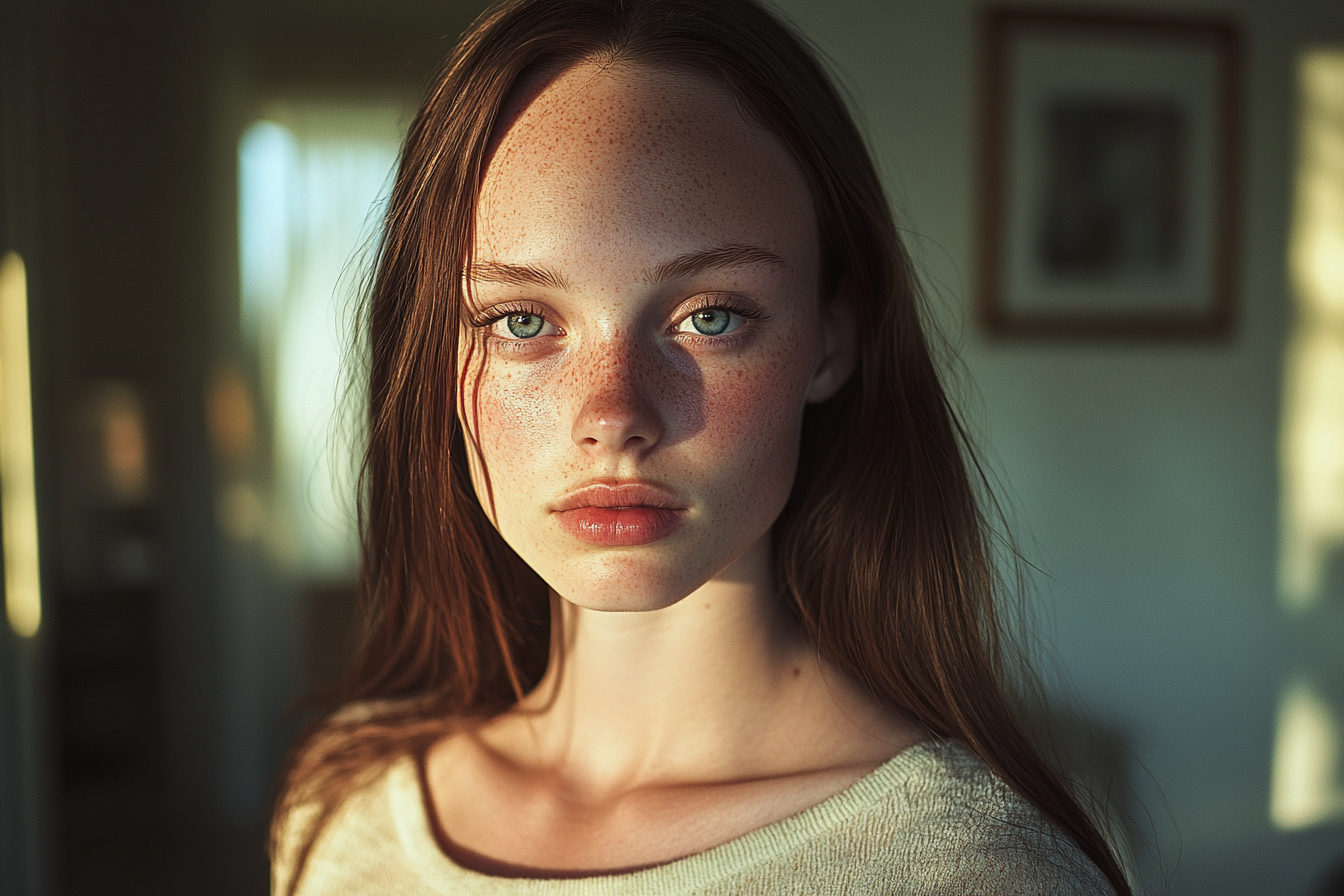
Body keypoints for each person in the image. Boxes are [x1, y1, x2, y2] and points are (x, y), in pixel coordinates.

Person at [270, 0, 1130, 893]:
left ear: (831, 340)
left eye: (709, 317)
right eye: (522, 320)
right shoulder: (342, 815)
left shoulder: (978, 875)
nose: (615, 414)